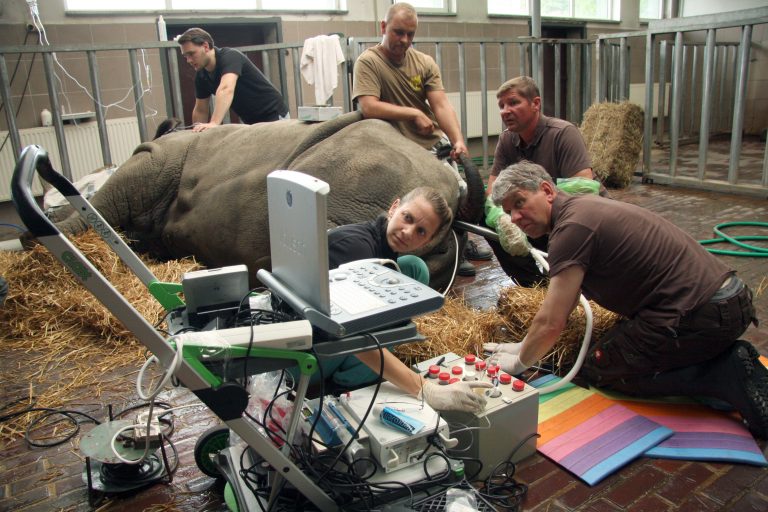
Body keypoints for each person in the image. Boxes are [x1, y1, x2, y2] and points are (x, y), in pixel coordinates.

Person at [484, 161, 767, 439]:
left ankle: (723, 376)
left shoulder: (571, 230)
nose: (515, 218)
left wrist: (519, 363)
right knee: (622, 348)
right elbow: (565, 303)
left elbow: (552, 322)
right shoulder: (583, 208)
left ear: (547, 190)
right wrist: (522, 346)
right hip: (729, 299)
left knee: (600, 367)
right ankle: (715, 365)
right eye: (509, 212)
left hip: (703, 314)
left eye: (519, 203)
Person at [310, 187, 491, 413]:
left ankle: (365, 364)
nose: (408, 232)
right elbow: (354, 339)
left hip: (326, 333)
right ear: (394, 207)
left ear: (429, 241)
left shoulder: (380, 243)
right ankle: (345, 386)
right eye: (408, 218)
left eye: (421, 231)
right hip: (304, 354)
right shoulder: (356, 248)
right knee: (384, 338)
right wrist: (424, 388)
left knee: (414, 268)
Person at [352, 2, 491, 276]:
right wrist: (412, 113)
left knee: (461, 192)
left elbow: (440, 105)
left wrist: (458, 139)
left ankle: (460, 248)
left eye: (410, 35)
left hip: (430, 146)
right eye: (398, 32)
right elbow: (368, 106)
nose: (404, 41)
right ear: (383, 27)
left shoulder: (424, 62)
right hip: (392, 146)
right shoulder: (368, 62)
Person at [486, 76, 594, 286]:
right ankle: (535, 286)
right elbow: (492, 191)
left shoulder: (563, 133)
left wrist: (539, 207)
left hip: (567, 216)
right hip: (536, 216)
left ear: (536, 103)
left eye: (513, 102)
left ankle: (574, 283)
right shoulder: (507, 139)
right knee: (491, 221)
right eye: (501, 105)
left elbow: (584, 188)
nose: (505, 111)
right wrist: (504, 220)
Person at [177, 28, 289, 132]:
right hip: (251, 121)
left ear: (206, 46)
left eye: (191, 54)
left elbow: (226, 89)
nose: (188, 60)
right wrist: (196, 130)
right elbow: (201, 109)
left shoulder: (230, 56)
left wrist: (214, 123)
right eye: (185, 56)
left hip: (274, 114)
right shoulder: (201, 76)